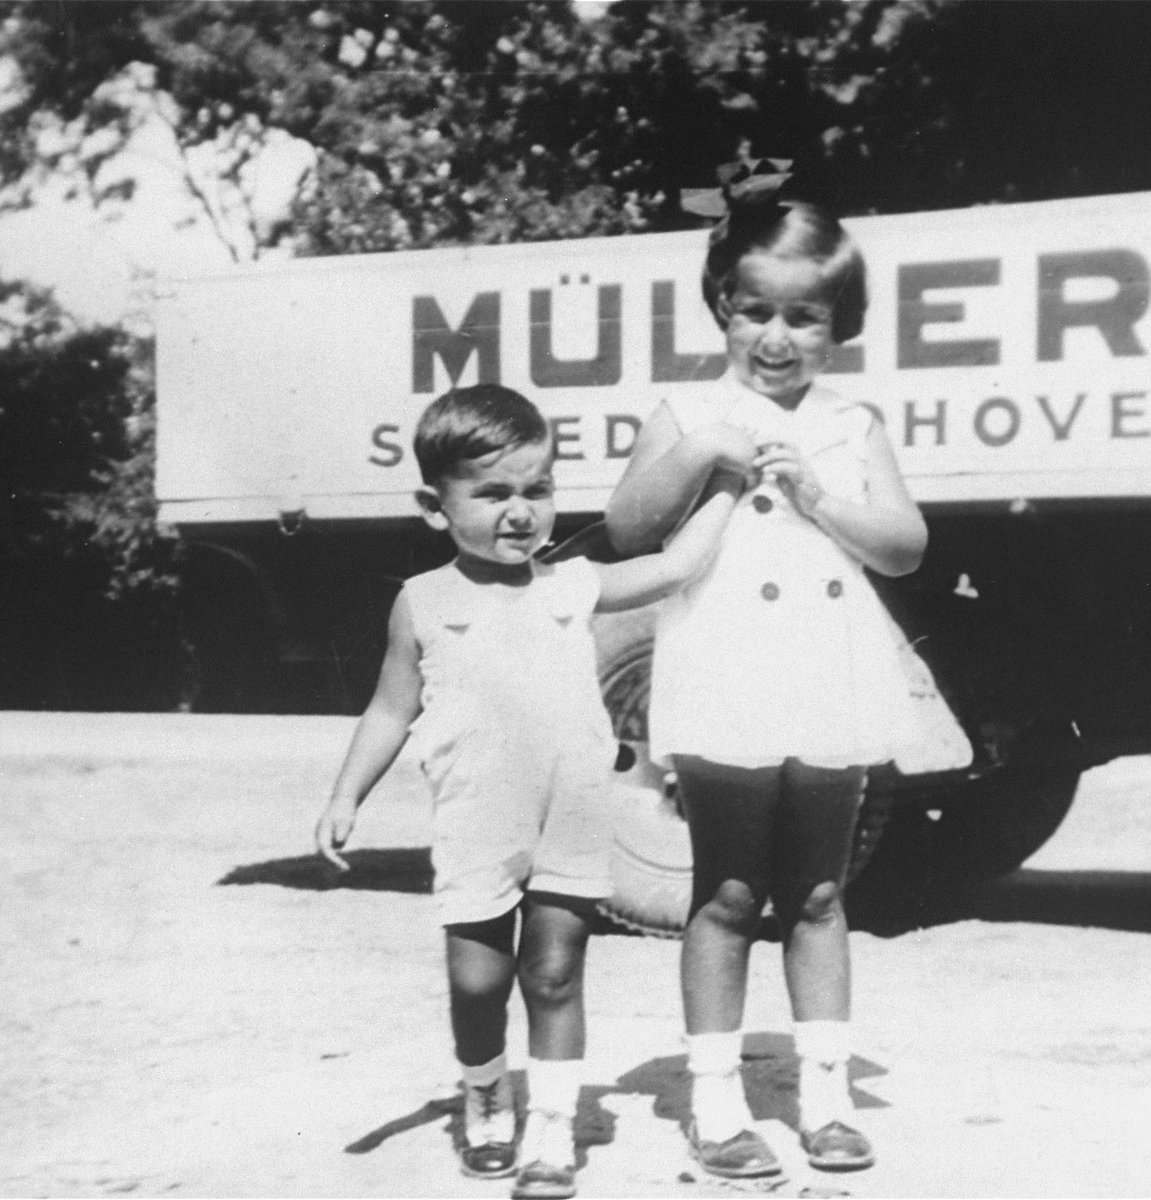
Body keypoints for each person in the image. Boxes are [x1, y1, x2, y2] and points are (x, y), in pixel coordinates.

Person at [316, 383, 739, 1200]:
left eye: (537, 490)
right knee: (478, 982)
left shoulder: (571, 585)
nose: (520, 512)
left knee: (553, 973)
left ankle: (549, 1132)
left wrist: (724, 482)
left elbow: (678, 565)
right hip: (478, 823)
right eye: (493, 493)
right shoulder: (423, 602)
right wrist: (345, 796)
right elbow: (388, 708)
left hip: (571, 817)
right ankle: (484, 1092)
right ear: (435, 508)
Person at [604, 161, 931, 1178]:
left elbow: (906, 545)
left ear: (839, 322)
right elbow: (623, 526)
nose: (779, 339)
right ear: (722, 309)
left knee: (823, 894)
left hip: (827, 672)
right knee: (731, 893)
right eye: (756, 313)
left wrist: (824, 497)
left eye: (804, 317)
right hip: (728, 673)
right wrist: (703, 451)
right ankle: (714, 1105)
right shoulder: (684, 411)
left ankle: (826, 1101)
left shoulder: (850, 423)